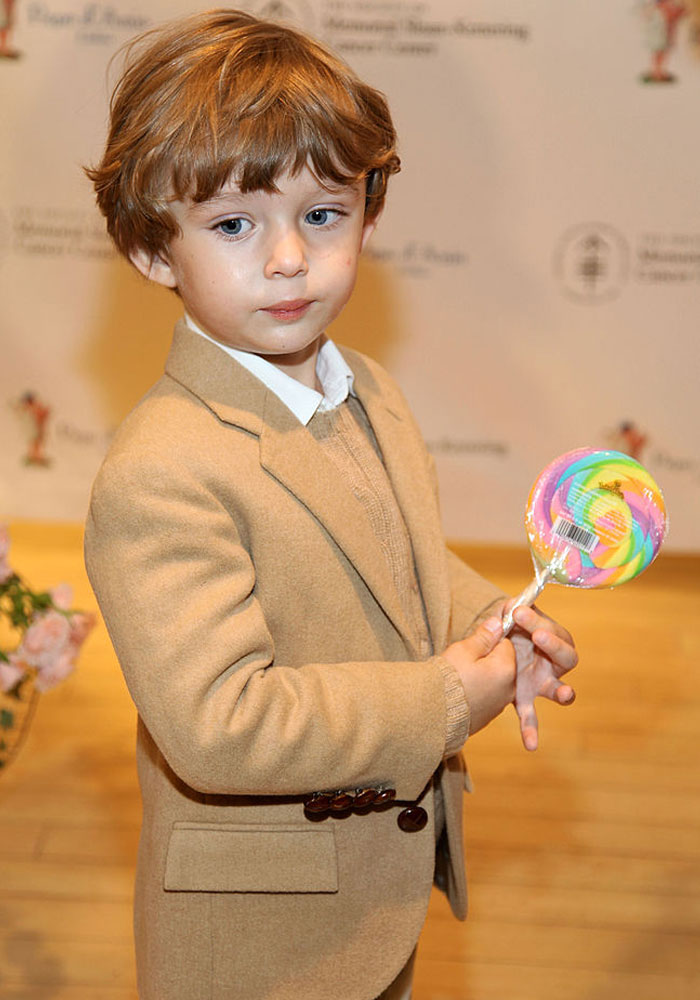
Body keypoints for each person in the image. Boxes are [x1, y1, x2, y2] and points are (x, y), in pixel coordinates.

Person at [84, 11, 578, 1000]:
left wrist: (491, 617)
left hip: (369, 897)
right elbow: (219, 724)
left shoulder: (370, 391)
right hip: (260, 945)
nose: (287, 258)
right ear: (153, 251)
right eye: (234, 224)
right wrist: (444, 699)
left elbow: (399, 560)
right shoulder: (161, 471)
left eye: (322, 214)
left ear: (368, 215)